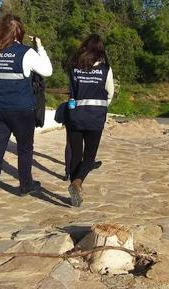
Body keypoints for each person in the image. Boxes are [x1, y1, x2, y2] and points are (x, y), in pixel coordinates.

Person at [0, 14, 53, 207]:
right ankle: (25, 185)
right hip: (21, 109)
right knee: (25, 149)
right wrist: (40, 47)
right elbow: (47, 70)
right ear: (20, 31)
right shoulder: (25, 52)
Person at [65, 34, 114, 207]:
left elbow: (72, 90)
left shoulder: (73, 66)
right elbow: (110, 92)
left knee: (75, 156)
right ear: (100, 50)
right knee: (89, 157)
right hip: (95, 117)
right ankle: (77, 182)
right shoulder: (105, 69)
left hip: (75, 115)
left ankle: (74, 190)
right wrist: (102, 106)